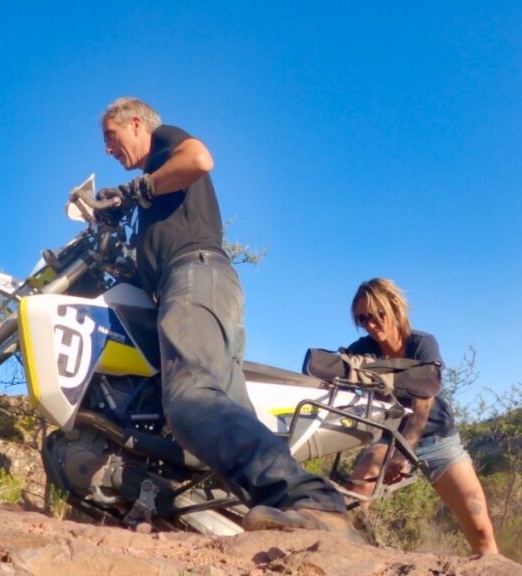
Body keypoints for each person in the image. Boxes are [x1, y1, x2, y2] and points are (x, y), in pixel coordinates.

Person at [96, 97, 362, 541]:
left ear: (137, 124)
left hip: (195, 276)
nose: (107, 149)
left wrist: (134, 191)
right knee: (227, 415)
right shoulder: (155, 188)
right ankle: (302, 520)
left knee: (188, 399)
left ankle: (313, 500)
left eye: (111, 136)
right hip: (198, 285)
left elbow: (200, 159)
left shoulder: (165, 145)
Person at [344, 278, 498, 555]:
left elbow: (422, 408)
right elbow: (336, 366)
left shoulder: (422, 344)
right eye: (363, 318)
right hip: (389, 438)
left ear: (394, 309)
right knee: (353, 506)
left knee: (479, 526)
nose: (372, 323)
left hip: (437, 439)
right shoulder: (363, 349)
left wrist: (404, 454)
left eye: (379, 314)